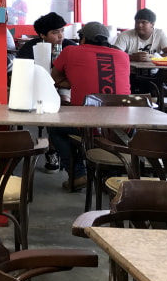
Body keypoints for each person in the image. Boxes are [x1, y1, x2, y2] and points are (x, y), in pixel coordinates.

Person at [49, 21, 131, 190]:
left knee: (55, 128)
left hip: (88, 129)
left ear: (83, 38)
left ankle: (78, 174)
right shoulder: (123, 56)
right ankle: (111, 173)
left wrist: (74, 82)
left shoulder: (71, 51)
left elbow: (54, 77)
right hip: (123, 131)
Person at [15, 11, 77, 172]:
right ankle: (52, 149)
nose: (61, 36)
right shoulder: (30, 48)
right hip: (37, 88)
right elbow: (23, 73)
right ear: (42, 35)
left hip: (64, 88)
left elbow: (75, 77)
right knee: (49, 106)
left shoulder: (70, 47)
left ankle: (56, 148)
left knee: (64, 105)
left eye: (62, 30)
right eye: (55, 32)